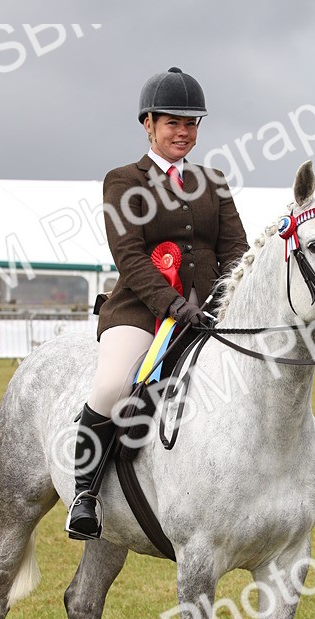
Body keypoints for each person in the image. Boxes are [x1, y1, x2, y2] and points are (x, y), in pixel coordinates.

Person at [65, 66, 249, 541]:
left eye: (190, 124)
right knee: (110, 385)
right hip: (140, 312)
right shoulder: (124, 180)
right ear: (148, 123)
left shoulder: (215, 181)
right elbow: (128, 255)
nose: (183, 132)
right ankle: (84, 492)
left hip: (208, 313)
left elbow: (235, 252)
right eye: (173, 123)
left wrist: (222, 301)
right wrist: (172, 304)